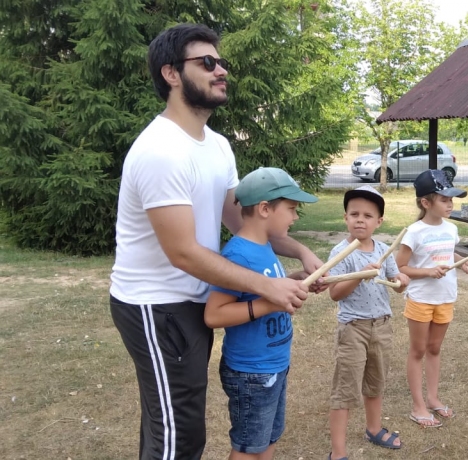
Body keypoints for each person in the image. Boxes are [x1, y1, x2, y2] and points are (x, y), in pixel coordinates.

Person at [108, 24, 323, 459]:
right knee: (179, 433)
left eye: (220, 61)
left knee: (172, 419)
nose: (221, 69)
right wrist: (269, 287)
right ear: (171, 73)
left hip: (191, 299)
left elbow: (241, 223)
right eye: (207, 62)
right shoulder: (161, 151)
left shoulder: (218, 146)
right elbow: (183, 252)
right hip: (156, 304)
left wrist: (300, 253)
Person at [203, 167, 319, 459]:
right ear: (265, 209)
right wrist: (271, 303)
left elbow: (267, 288)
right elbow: (214, 315)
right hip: (250, 373)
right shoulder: (238, 255)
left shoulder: (264, 246)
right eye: (292, 209)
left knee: (267, 441)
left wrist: (296, 282)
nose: (295, 217)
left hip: (274, 366)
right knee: (247, 449)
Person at [326, 185, 410, 459]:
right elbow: (334, 293)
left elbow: (396, 284)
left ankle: (373, 429)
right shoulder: (341, 252)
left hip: (382, 325)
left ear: (379, 221)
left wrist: (401, 282)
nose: (360, 219)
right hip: (354, 329)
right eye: (354, 214)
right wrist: (358, 276)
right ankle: (338, 452)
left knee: (376, 382)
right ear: (345, 218)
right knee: (345, 389)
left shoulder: (384, 249)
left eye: (367, 215)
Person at [395, 169, 468, 428]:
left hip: (445, 297)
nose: (450, 204)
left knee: (435, 349)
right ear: (426, 203)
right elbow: (400, 267)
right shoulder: (414, 232)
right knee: (418, 351)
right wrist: (427, 272)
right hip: (421, 299)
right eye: (444, 199)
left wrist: (463, 263)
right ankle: (418, 406)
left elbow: (448, 255)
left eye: (452, 200)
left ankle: (433, 398)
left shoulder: (451, 229)